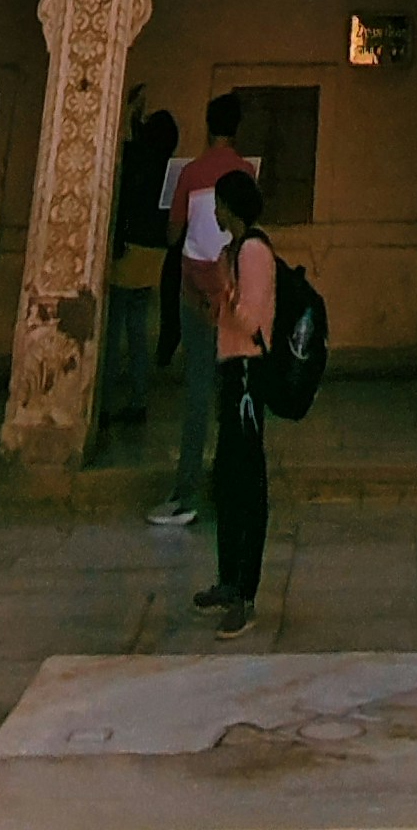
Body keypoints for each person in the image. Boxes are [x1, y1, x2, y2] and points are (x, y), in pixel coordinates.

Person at [149, 90, 248, 529]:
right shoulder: (245, 173)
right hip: (233, 294)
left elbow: (174, 234)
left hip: (195, 291)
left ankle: (186, 492)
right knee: (234, 394)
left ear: (208, 126)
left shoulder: (191, 173)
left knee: (197, 395)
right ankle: (232, 488)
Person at [189, 163, 274, 636]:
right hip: (232, 371)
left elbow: (249, 320)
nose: (216, 212)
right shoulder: (237, 249)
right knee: (227, 478)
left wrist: (222, 285)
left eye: (220, 204)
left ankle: (246, 591)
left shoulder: (255, 251)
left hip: (248, 374)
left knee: (246, 483)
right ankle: (228, 578)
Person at [103, 106, 176, 425]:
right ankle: (138, 398)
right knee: (137, 328)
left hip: (129, 249)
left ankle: (103, 402)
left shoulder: (135, 158)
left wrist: (133, 112)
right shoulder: (169, 167)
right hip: (154, 252)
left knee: (112, 328)